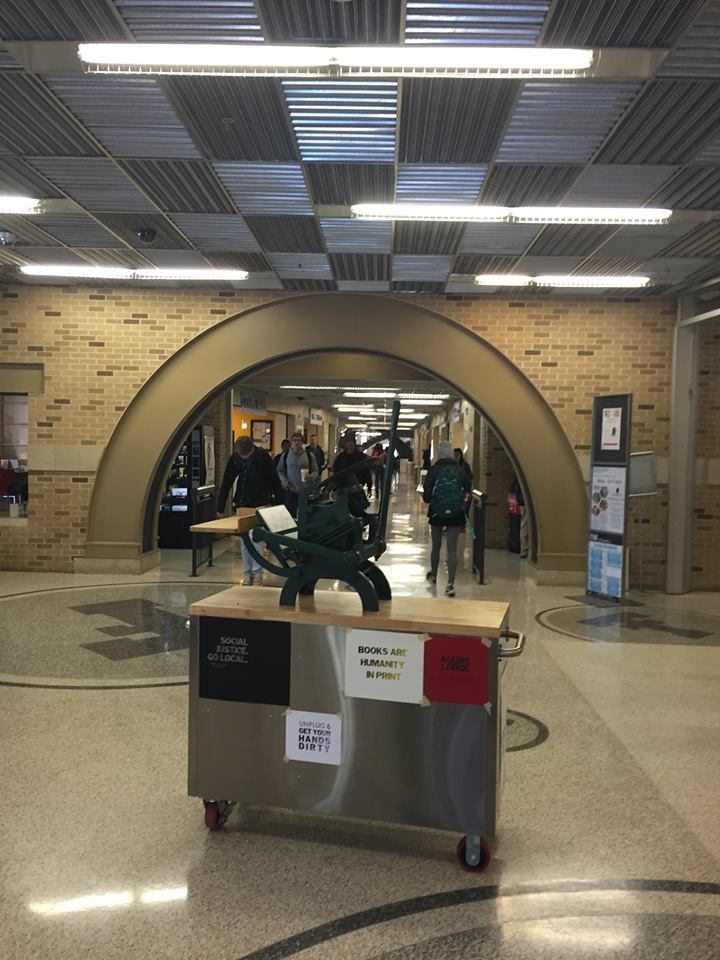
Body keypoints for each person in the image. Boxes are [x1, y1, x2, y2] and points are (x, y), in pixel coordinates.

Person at [217, 435, 283, 586]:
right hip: (242, 504)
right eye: (241, 456)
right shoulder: (235, 458)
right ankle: (247, 575)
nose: (243, 459)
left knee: (256, 539)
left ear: (252, 449)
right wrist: (220, 507)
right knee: (244, 541)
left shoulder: (263, 457)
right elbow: (227, 481)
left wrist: (280, 504)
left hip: (261, 503)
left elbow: (275, 481)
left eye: (246, 456)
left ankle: (257, 574)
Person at [423, 440, 471, 598]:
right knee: (452, 549)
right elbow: (467, 493)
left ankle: (434, 575)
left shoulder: (434, 470)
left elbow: (426, 497)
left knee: (436, 546)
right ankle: (450, 584)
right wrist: (464, 510)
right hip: (456, 515)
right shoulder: (460, 470)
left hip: (436, 513)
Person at [277, 431, 319, 518]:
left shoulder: (309, 455)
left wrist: (310, 476)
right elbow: (279, 470)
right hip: (291, 489)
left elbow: (316, 471)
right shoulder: (286, 455)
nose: (296, 442)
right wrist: (283, 480)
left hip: (305, 490)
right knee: (290, 516)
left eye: (299, 440)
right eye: (294, 440)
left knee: (306, 516)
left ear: (302, 442)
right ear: (291, 442)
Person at [331, 437, 372, 517]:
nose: (350, 444)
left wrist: (369, 486)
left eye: (351, 442)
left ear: (354, 444)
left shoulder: (361, 457)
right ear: (345, 444)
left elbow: (366, 471)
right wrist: (334, 488)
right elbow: (336, 474)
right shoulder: (340, 458)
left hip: (357, 487)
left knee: (357, 508)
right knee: (344, 509)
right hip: (343, 487)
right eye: (348, 442)